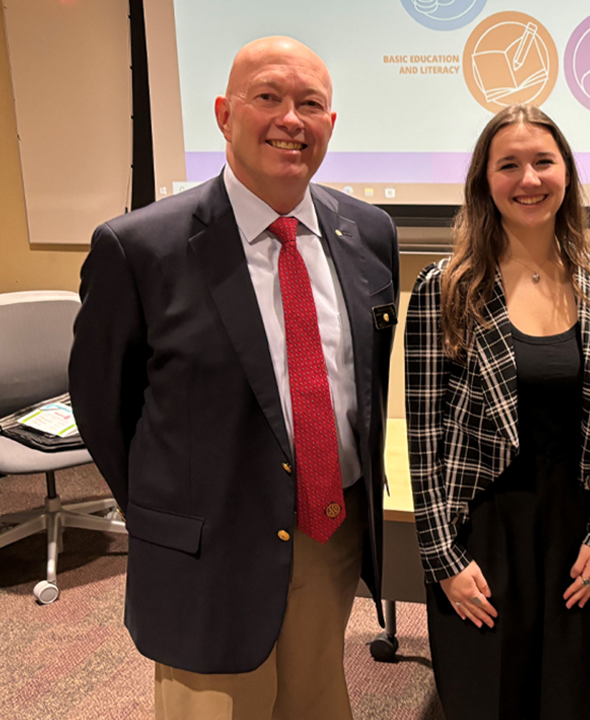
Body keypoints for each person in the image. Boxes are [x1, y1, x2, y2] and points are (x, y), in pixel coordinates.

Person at [69, 37, 399, 720]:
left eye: (311, 104)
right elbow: (105, 409)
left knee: (316, 703)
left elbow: (362, 386)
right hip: (208, 553)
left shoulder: (369, 233)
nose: (291, 119)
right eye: (268, 98)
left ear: (330, 127)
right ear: (224, 114)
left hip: (327, 534)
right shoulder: (139, 248)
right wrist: (170, 519)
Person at [405, 104, 590, 720]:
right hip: (480, 529)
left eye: (543, 162)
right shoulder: (445, 287)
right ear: (485, 180)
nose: (528, 179)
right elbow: (423, 441)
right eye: (508, 165)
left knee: (563, 698)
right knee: (486, 698)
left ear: (567, 174)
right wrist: (443, 559)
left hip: (572, 531)